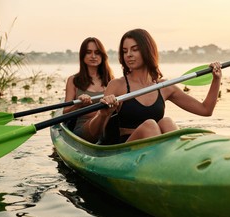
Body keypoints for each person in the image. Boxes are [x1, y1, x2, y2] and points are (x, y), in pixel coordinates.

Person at [84, 28, 222, 144]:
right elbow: (94, 134)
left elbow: (205, 110)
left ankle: (177, 162)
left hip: (157, 147)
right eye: (125, 51)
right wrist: (104, 114)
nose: (129, 55)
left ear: (147, 51)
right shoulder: (117, 85)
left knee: (167, 122)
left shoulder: (164, 87)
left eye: (135, 49)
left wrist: (216, 79)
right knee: (150, 126)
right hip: (125, 150)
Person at [63, 37, 114, 140]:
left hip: (107, 128)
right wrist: (78, 105)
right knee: (101, 116)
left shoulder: (111, 80)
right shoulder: (73, 80)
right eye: (89, 52)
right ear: (83, 56)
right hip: (84, 129)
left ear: (102, 56)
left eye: (97, 52)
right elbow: (65, 113)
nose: (93, 56)